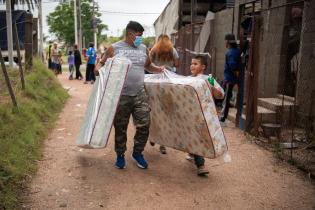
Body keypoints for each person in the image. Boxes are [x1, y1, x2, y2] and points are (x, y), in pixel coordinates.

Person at [95, 21, 164, 170]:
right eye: (138, 35)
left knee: (144, 123)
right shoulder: (115, 48)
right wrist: (97, 70)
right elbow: (101, 63)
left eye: (142, 35)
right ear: (130, 34)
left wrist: (159, 70)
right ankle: (120, 154)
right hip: (121, 95)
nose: (140, 39)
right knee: (121, 127)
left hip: (139, 93)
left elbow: (147, 65)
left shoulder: (143, 48)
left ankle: (137, 152)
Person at [188, 54, 224, 176]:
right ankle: (196, 158)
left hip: (204, 114)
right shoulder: (187, 79)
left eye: (195, 64)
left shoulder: (208, 79)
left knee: (200, 137)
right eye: (191, 63)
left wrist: (213, 89)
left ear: (203, 67)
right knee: (194, 135)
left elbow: (221, 95)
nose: (192, 65)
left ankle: (198, 159)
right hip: (190, 114)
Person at [149, 34, 180, 154]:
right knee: (166, 110)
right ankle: (163, 144)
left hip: (156, 81)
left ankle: (152, 135)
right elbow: (177, 64)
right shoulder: (172, 50)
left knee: (154, 108)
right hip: (169, 80)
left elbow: (148, 64)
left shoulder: (154, 50)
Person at [220, 34, 241, 122]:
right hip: (230, 78)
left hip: (230, 79)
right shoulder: (236, 51)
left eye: (225, 41)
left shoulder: (230, 52)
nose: (224, 42)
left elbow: (232, 65)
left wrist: (236, 73)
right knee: (227, 97)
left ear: (228, 42)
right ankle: (224, 114)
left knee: (226, 97)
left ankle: (223, 117)